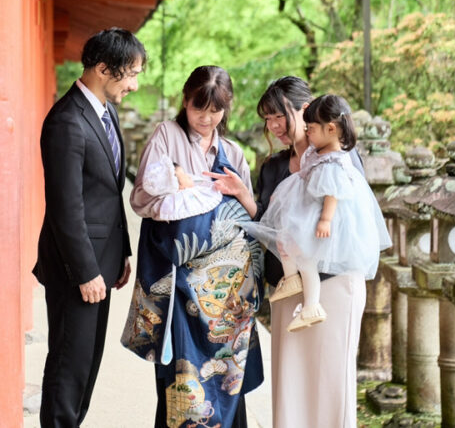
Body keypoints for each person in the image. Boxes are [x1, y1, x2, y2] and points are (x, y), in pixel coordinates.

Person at [204, 76, 372, 427]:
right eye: (267, 119)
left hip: (335, 282)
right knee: (291, 384)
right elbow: (270, 227)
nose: (273, 126)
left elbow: (352, 219)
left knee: (331, 381)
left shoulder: (341, 157)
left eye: (279, 116)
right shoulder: (273, 168)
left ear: (305, 110)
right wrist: (244, 196)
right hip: (288, 285)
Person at [121, 66, 263, 428]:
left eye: (215, 111)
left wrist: (241, 192)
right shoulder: (166, 136)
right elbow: (140, 199)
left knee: (228, 378)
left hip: (225, 295)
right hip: (179, 286)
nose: (206, 118)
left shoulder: (232, 152)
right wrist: (176, 183)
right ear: (185, 102)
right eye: (199, 109)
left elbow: (253, 219)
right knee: (181, 379)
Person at [33, 27, 147, 428]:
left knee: (87, 366)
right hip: (75, 271)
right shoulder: (66, 121)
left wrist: (123, 254)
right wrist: (85, 272)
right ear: (103, 68)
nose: (134, 85)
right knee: (69, 365)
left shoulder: (105, 112)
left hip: (103, 263)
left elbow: (108, 194)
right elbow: (66, 209)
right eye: (130, 74)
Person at [241, 94, 391, 332]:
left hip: (316, 224)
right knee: (285, 243)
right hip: (302, 211)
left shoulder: (336, 161)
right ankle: (291, 280)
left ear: (330, 128)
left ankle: (311, 304)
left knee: (305, 256)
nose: (306, 131)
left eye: (310, 128)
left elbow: (333, 192)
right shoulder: (312, 153)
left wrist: (325, 219)